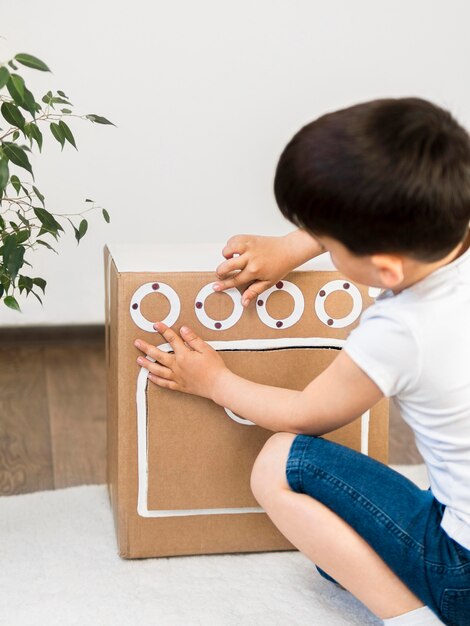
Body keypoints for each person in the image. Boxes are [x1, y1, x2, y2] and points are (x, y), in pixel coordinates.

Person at [134, 97, 470, 625]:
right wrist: (297, 245)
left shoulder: (402, 329)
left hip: (462, 577)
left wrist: (213, 380)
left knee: (279, 463)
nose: (325, 251)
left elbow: (306, 415)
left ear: (384, 269)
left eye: (331, 245)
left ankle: (415, 618)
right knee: (336, 560)